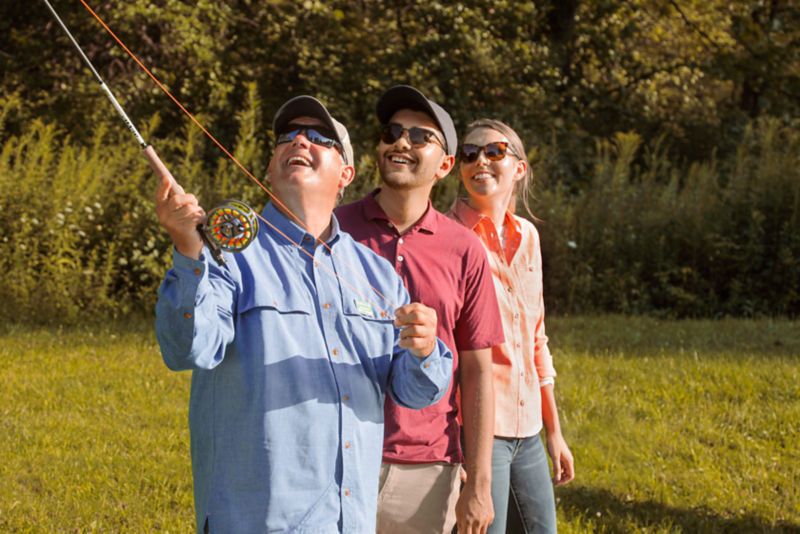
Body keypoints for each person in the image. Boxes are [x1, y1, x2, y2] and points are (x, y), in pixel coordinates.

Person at [154, 95, 453, 534]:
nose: (299, 140)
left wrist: (425, 351)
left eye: (319, 138)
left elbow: (413, 392)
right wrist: (186, 249)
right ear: (271, 170)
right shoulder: (226, 256)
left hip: (349, 522)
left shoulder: (379, 274)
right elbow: (187, 349)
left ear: (345, 175)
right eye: (287, 137)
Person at [336, 86, 504, 534]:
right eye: (392, 132)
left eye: (419, 136)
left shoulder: (465, 249)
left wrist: (480, 483)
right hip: (336, 455)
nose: (401, 143)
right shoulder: (332, 230)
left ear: (446, 164)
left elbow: (479, 371)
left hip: (426, 469)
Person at [447, 118, 575, 534]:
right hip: (479, 431)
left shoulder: (529, 237)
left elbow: (535, 338)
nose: (479, 160)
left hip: (528, 430)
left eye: (494, 151)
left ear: (518, 167)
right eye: (469, 153)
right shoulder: (448, 238)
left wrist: (553, 432)